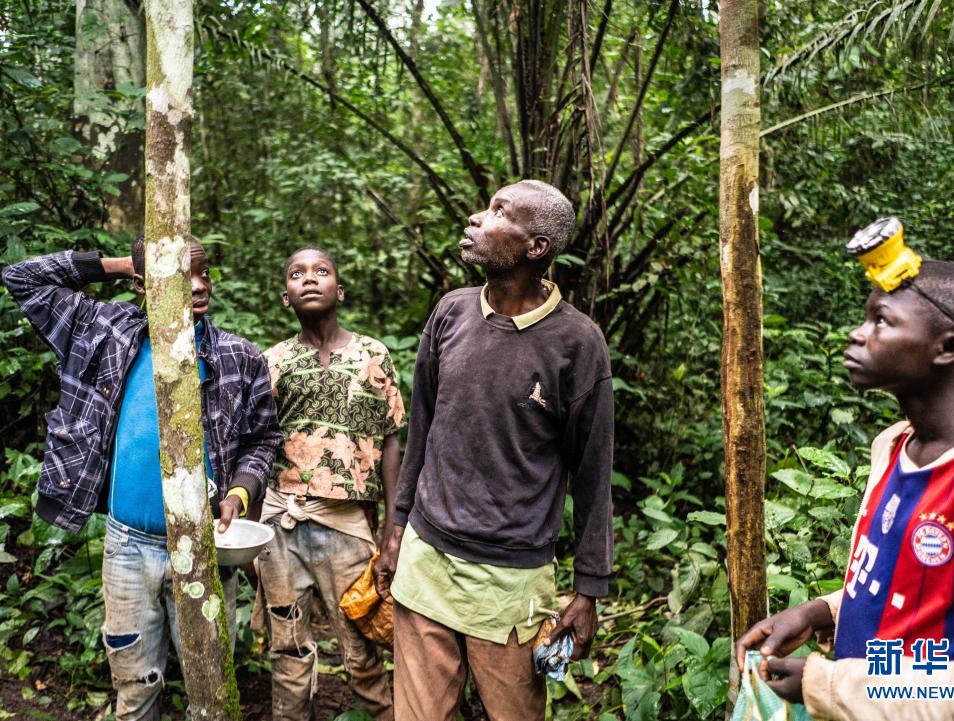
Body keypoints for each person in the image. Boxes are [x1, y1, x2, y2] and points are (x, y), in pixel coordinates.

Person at [2, 237, 282, 720]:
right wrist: (128, 264)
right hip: (127, 549)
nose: (199, 286)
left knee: (210, 691)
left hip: (205, 550)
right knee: (135, 689)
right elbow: (21, 278)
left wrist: (240, 491)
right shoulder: (104, 333)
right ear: (142, 284)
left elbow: (262, 439)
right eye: (182, 275)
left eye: (204, 274)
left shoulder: (240, 357)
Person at [736, 260, 954, 719]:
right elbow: (905, 587)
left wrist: (826, 685)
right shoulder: (892, 447)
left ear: (947, 348)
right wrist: (821, 613)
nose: (857, 333)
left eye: (882, 321)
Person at [374, 179, 614, 721]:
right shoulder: (451, 313)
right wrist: (397, 527)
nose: (477, 218)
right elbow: (422, 429)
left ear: (536, 247)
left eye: (499, 212)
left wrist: (589, 589)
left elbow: (593, 474)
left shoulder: (578, 344)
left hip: (511, 582)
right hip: (426, 561)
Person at [258, 247, 403, 721]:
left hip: (346, 527)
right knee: (288, 650)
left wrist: (393, 528)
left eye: (321, 271)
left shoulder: (373, 355)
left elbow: (391, 440)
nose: (309, 279)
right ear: (286, 297)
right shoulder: (272, 361)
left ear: (339, 291)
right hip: (281, 526)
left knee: (362, 650)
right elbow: (258, 445)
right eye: (297, 273)